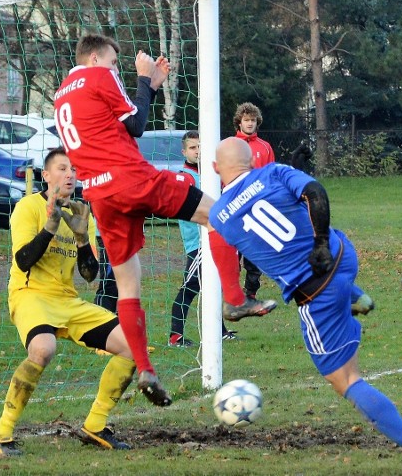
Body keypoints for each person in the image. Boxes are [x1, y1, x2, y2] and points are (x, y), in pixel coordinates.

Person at [52, 33, 277, 408]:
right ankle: (235, 300)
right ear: (93, 58)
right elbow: (137, 125)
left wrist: (152, 87)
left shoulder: (62, 94)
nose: (114, 70)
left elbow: (118, 127)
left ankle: (145, 368)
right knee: (218, 215)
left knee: (128, 283)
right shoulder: (98, 76)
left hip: (99, 195)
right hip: (131, 179)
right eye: (111, 63)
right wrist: (143, 78)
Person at [209, 137, 402, 475]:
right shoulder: (274, 171)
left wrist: (236, 300)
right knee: (323, 234)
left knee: (345, 380)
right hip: (342, 257)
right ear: (252, 161)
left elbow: (232, 238)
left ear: (216, 169)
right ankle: (357, 296)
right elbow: (314, 192)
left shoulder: (219, 216)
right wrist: (320, 243)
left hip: (316, 293)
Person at [0, 148, 137, 457]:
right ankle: (1, 436)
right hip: (30, 295)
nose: (70, 174)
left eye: (73, 169)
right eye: (62, 168)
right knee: (43, 349)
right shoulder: (28, 207)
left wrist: (82, 239)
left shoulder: (82, 213)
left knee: (132, 344)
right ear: (46, 175)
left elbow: (91, 274)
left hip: (67, 300)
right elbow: (24, 260)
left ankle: (94, 426)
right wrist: (50, 227)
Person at [169, 131, 237, 347]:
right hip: (198, 243)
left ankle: (220, 331)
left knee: (213, 287)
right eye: (192, 148)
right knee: (190, 288)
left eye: (200, 147)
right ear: (184, 152)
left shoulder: (209, 175)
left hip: (214, 238)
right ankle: (175, 335)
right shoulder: (186, 176)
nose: (197, 151)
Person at [233, 102, 275, 302]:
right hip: (234, 210)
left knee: (254, 255)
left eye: (253, 120)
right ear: (239, 122)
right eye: (246, 120)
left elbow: (271, 176)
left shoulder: (265, 147)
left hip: (256, 209)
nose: (250, 124)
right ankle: (230, 293)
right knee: (232, 255)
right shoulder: (230, 145)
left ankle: (250, 293)